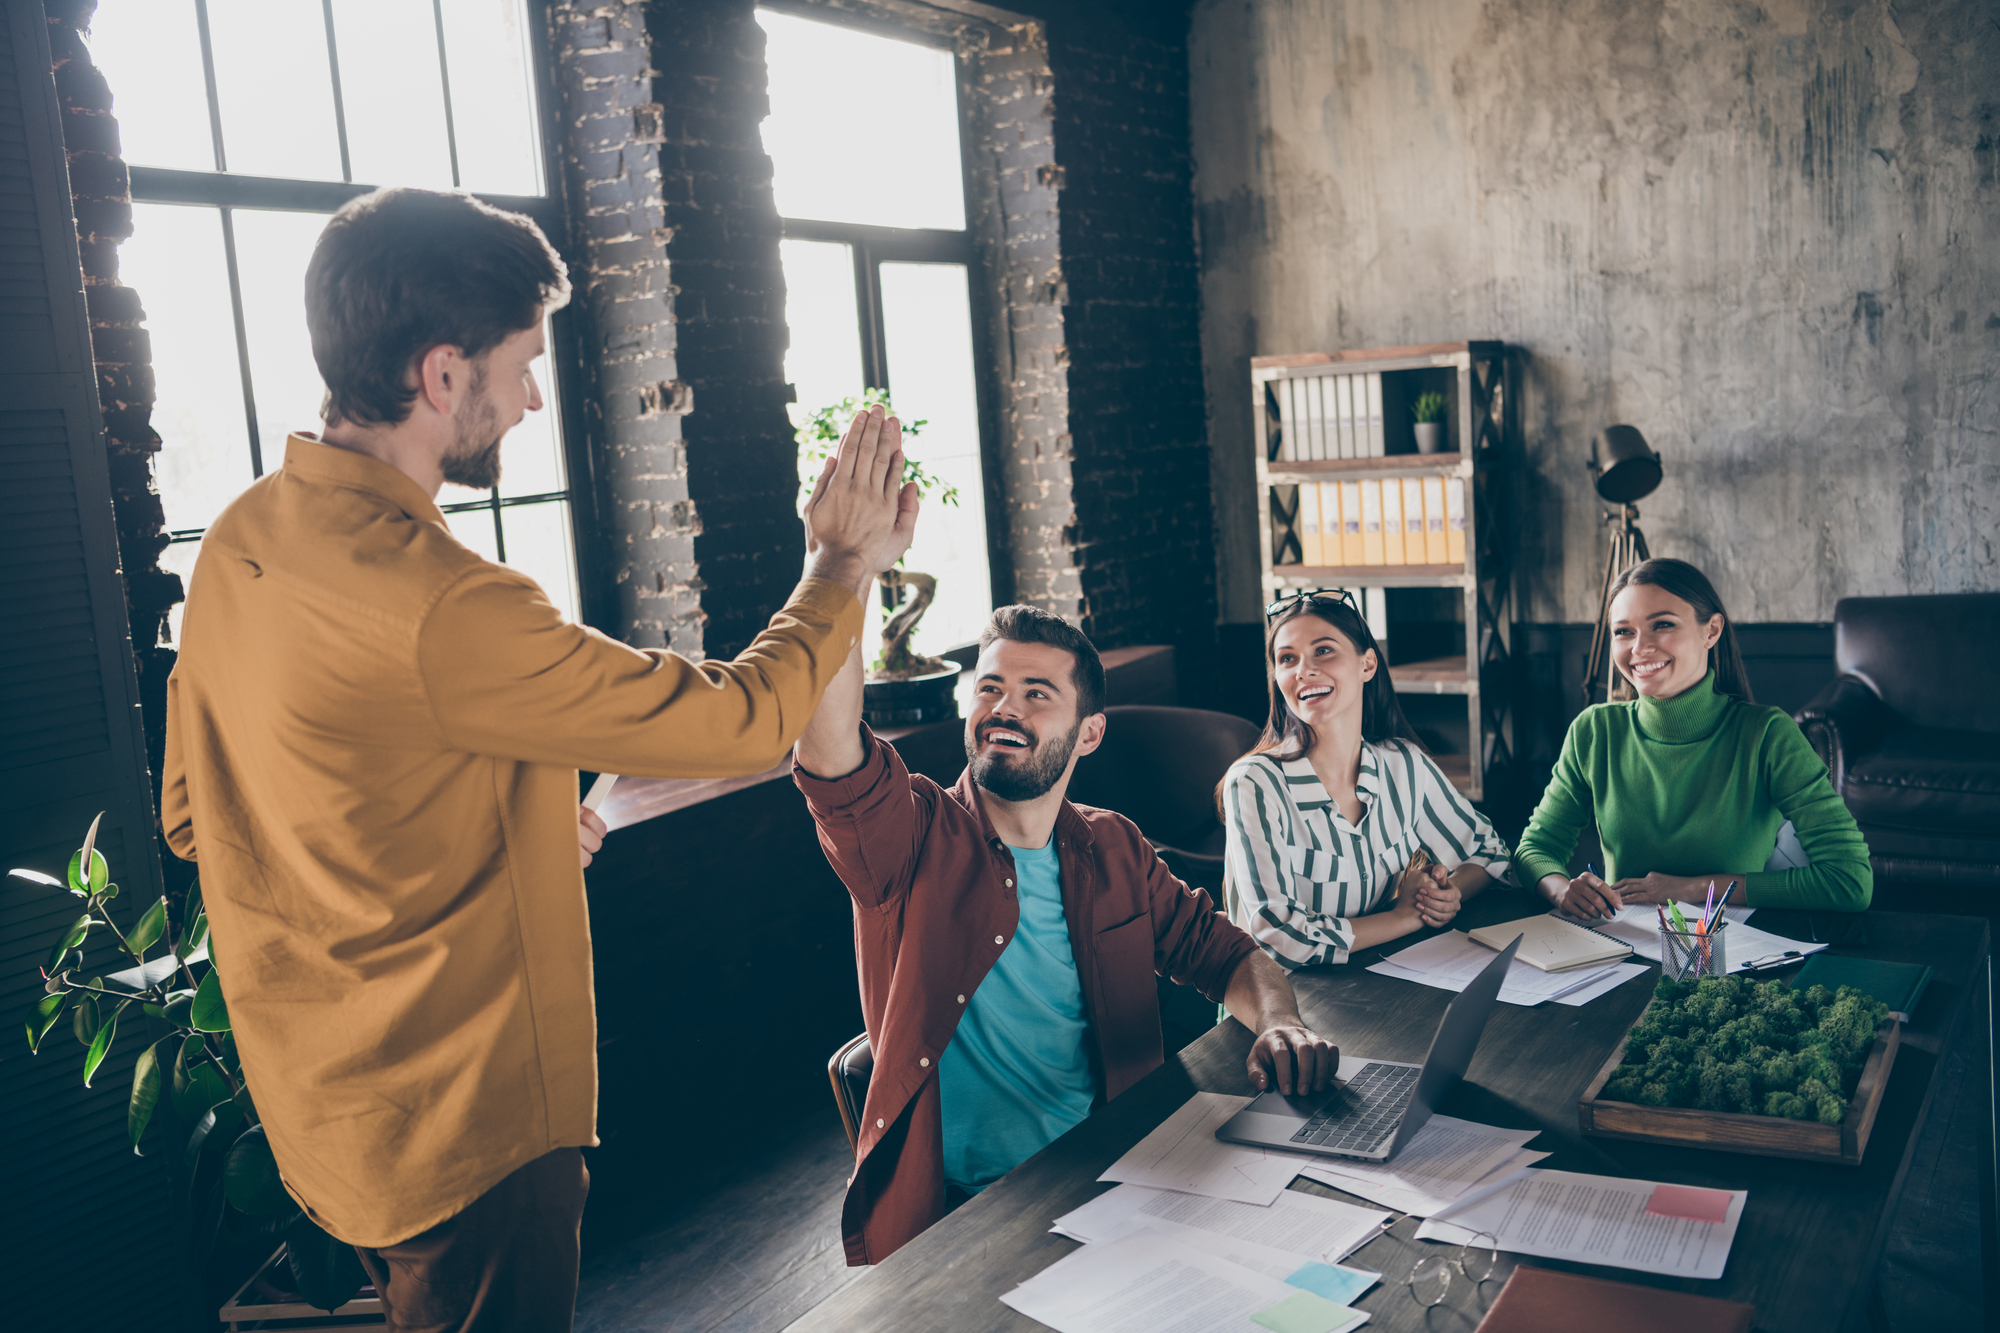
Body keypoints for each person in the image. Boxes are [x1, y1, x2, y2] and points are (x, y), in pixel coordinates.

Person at [162, 187, 916, 1332]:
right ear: (441, 374)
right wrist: (839, 562)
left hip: (324, 1110)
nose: (530, 396)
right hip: (466, 1128)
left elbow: (196, 811)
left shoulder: (240, 540)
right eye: (521, 364)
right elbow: (743, 720)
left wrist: (492, 819)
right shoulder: (449, 603)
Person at [794, 599, 1340, 1265]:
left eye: (1036, 693)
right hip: (971, 1216)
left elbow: (1226, 952)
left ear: (1089, 733)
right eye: (990, 687)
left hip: (1124, 1170)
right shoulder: (909, 837)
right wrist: (843, 565)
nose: (1004, 706)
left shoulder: (1113, 846)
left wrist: (1281, 1021)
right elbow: (830, 751)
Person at [1514, 558, 1871, 919]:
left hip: (1732, 953)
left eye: (1662, 625)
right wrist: (1562, 891)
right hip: (1622, 950)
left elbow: (1850, 880)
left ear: (1711, 631)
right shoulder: (1593, 731)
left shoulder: (1767, 734)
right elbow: (1535, 849)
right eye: (1623, 632)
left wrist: (1695, 888)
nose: (1639, 648)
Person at [1221, 591, 1516, 968]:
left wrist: (1446, 894)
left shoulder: (1403, 764)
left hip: (1372, 984)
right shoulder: (1254, 784)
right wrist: (1403, 916)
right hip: (1278, 1004)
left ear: (1368, 664)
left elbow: (1490, 852)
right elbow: (1282, 938)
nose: (1302, 671)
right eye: (1287, 659)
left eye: (1323, 650)